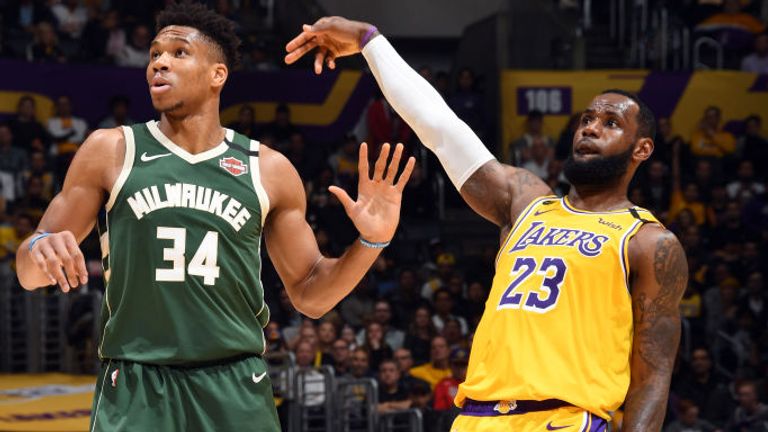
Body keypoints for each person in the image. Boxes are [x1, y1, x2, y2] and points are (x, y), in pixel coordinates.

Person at [14, 3, 415, 431]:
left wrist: (372, 241)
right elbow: (27, 272)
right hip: (137, 383)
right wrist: (40, 247)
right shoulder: (110, 151)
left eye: (178, 52)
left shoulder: (269, 169)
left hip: (236, 384)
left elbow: (311, 296)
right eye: (153, 54)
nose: (159, 63)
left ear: (217, 75)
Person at [286, 17, 688, 432]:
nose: (590, 127)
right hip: (477, 417)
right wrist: (371, 42)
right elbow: (440, 129)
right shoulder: (525, 201)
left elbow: (653, 376)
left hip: (564, 419)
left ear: (642, 149)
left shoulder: (649, 242)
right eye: (588, 118)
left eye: (611, 123)